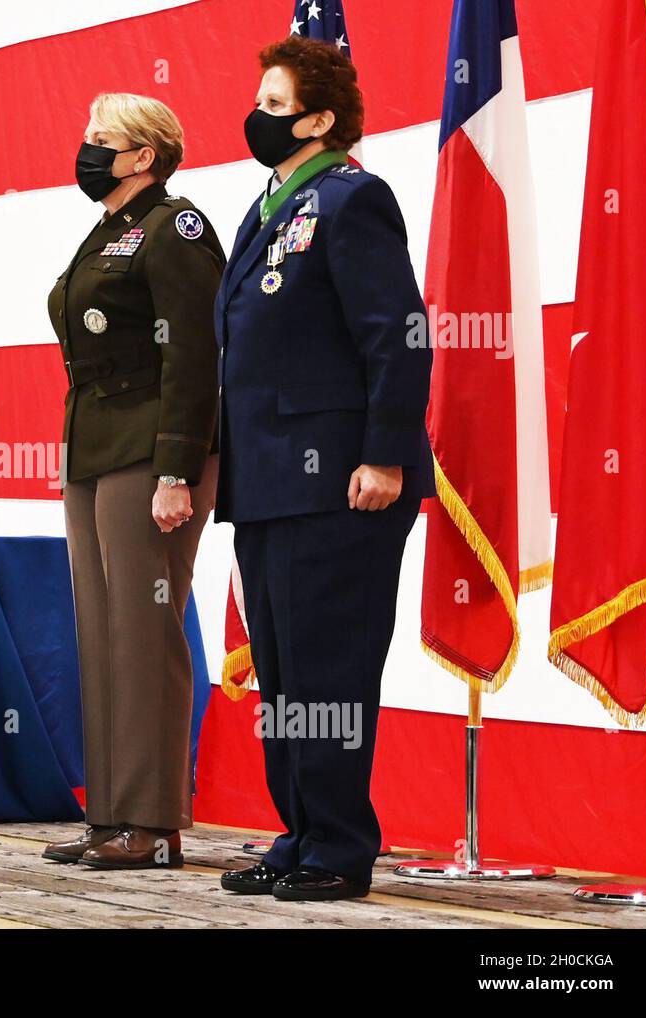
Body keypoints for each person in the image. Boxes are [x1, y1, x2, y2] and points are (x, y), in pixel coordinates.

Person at [214, 37, 434, 901]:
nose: (258, 118)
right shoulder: (267, 205)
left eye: (274, 106)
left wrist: (384, 452)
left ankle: (340, 845)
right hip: (268, 481)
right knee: (283, 671)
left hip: (342, 478)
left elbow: (399, 335)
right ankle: (299, 829)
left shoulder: (353, 199)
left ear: (320, 118)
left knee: (330, 670)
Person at [42, 94, 225, 870]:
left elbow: (195, 354)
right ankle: (110, 811)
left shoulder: (174, 227)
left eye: (101, 139)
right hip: (93, 448)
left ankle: (150, 823)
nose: (85, 148)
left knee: (145, 633)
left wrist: (177, 468)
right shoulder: (110, 230)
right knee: (102, 633)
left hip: (152, 447)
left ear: (144, 155)